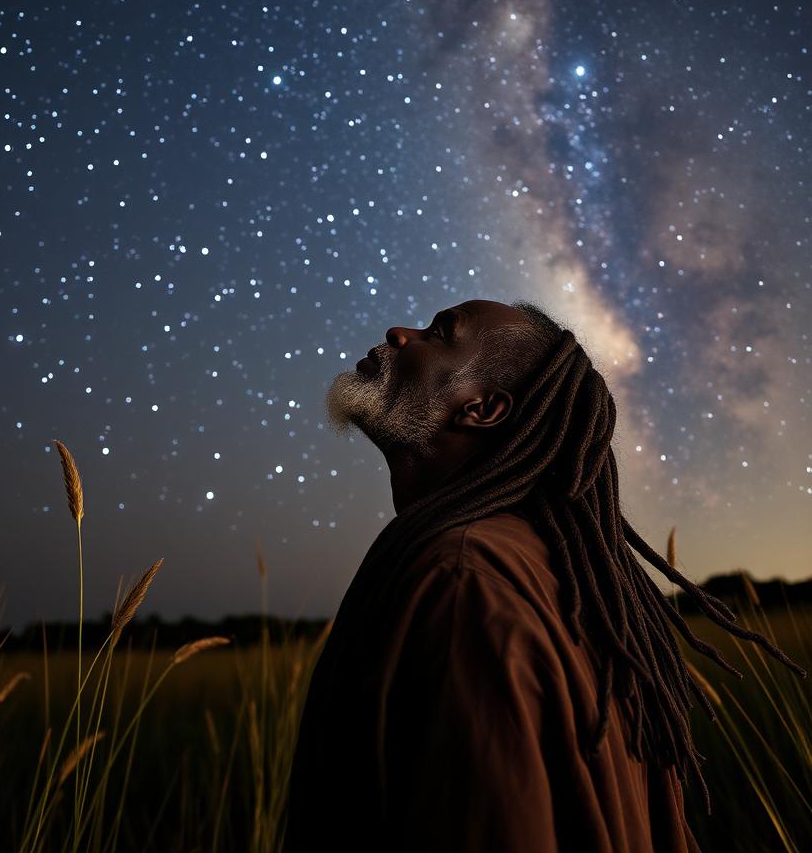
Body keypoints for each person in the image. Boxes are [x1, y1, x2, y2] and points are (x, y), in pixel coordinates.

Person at [280, 298, 805, 852]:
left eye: (439, 333)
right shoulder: (548, 577)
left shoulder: (463, 582)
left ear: (481, 409)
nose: (399, 332)